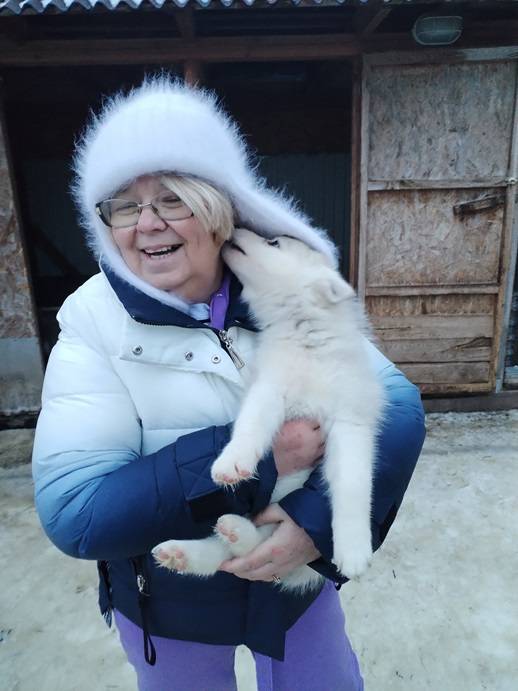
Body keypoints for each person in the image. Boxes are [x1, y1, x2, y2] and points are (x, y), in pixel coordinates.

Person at [32, 78, 426, 691]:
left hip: (295, 594)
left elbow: (394, 402)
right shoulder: (91, 323)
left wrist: (315, 523)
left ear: (220, 208)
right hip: (172, 603)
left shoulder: (281, 287)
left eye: (172, 199)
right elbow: (77, 512)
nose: (146, 223)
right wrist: (267, 458)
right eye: (125, 206)